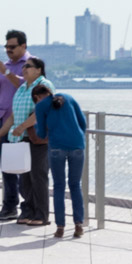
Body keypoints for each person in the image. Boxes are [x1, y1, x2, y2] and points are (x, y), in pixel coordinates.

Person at [0, 29, 39, 221]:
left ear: (23, 46)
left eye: (12, 47)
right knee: (7, 167)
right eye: (6, 46)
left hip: (24, 123)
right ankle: (9, 207)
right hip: (5, 121)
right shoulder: (4, 66)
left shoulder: (32, 64)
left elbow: (27, 85)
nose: (8, 50)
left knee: (26, 169)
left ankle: (29, 208)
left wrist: (6, 72)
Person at [31, 76, 89, 237]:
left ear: (37, 97)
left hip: (56, 147)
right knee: (75, 185)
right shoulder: (69, 98)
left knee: (59, 187)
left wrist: (37, 126)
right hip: (77, 145)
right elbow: (82, 122)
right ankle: (78, 225)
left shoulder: (41, 106)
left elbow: (41, 134)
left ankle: (60, 227)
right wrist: (77, 137)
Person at [0, 57, 51, 227]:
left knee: (38, 176)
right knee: (25, 178)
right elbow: (13, 115)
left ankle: (42, 214)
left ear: (38, 69)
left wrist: (22, 127)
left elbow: (41, 111)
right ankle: (28, 210)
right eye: (23, 67)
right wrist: (0, 135)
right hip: (21, 140)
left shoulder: (44, 85)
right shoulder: (22, 88)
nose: (24, 69)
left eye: (28, 66)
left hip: (38, 138)